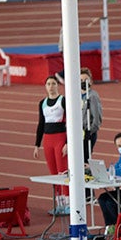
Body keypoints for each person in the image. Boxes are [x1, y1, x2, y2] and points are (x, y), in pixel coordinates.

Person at [32, 75, 69, 213]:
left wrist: (67, 143)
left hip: (60, 138)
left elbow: (70, 122)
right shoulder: (42, 103)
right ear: (45, 87)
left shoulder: (63, 101)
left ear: (57, 86)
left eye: (53, 83)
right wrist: (37, 145)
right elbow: (40, 124)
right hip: (48, 140)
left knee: (62, 171)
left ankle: (69, 201)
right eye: (48, 84)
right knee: (53, 173)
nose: (51, 86)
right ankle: (59, 203)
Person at [80, 68, 103, 163]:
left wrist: (91, 131)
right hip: (78, 133)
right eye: (81, 80)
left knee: (85, 159)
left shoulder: (92, 96)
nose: (83, 82)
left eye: (85, 80)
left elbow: (97, 117)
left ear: (90, 81)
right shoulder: (76, 95)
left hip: (88, 132)